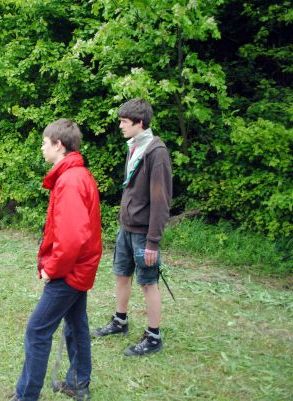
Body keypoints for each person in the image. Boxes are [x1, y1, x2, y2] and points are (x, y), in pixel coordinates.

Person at [11, 119, 102, 401]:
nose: (41, 148)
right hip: (80, 267)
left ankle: (26, 396)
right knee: (76, 324)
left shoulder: (71, 180)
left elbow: (72, 237)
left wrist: (52, 269)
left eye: (44, 143)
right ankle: (77, 383)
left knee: (37, 330)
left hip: (70, 271)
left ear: (58, 145)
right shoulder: (74, 175)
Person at [93, 98, 172, 356]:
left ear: (140, 123)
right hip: (125, 228)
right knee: (120, 274)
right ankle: (120, 321)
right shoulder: (134, 146)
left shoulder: (157, 152)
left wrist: (153, 242)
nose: (120, 126)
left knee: (148, 283)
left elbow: (161, 200)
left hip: (143, 234)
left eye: (124, 122)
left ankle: (153, 337)